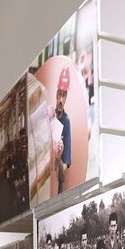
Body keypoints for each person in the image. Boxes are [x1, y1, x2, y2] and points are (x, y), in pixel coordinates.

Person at [53, 65, 72, 194]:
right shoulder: (49, 116)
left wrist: (59, 158)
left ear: (66, 98)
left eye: (64, 95)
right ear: (56, 94)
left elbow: (64, 168)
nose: (60, 99)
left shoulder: (66, 121)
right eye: (59, 93)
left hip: (56, 183)